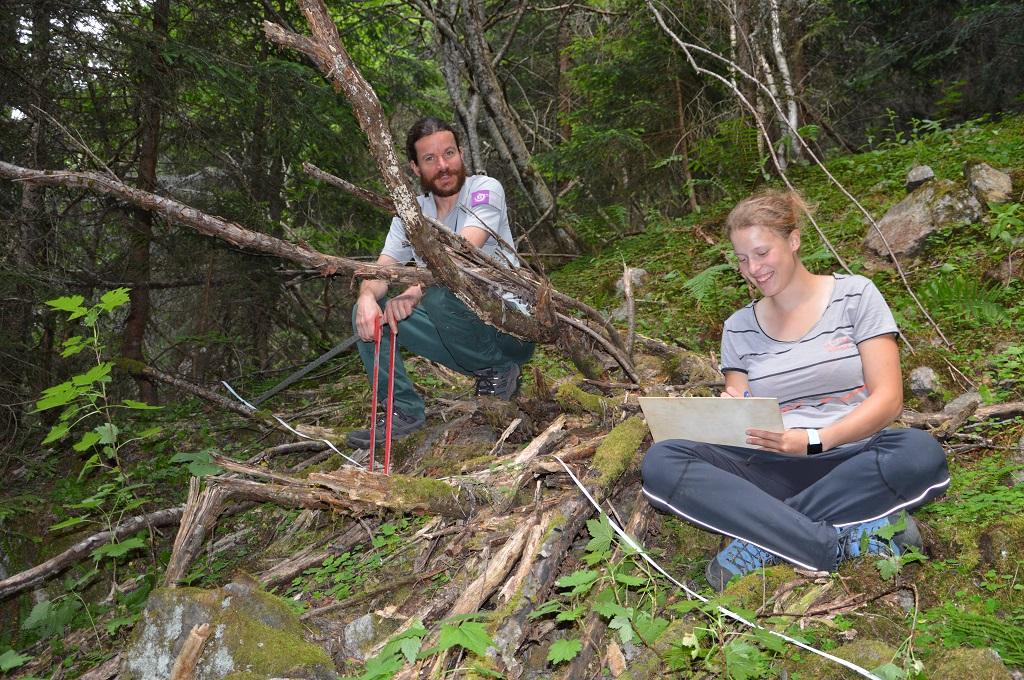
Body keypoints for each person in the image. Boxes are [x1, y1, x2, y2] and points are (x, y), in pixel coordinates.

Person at [640, 190, 950, 591]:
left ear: (794, 240)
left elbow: (889, 400)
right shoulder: (738, 327)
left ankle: (769, 536)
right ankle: (831, 542)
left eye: (762, 253)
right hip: (770, 466)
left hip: (851, 459)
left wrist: (817, 440)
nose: (753, 268)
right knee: (662, 462)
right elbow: (739, 402)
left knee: (919, 452)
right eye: (741, 259)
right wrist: (731, 409)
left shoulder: (855, 296)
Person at [346, 117, 534, 450]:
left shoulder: (485, 190)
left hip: (511, 330)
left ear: (461, 153)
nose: (443, 165)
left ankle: (500, 369)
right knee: (371, 317)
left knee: (440, 293)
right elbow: (383, 268)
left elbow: (460, 253)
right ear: (416, 168)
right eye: (430, 159)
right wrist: (366, 298)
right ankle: (402, 412)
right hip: (460, 337)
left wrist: (414, 292)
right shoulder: (411, 215)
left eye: (449, 153)